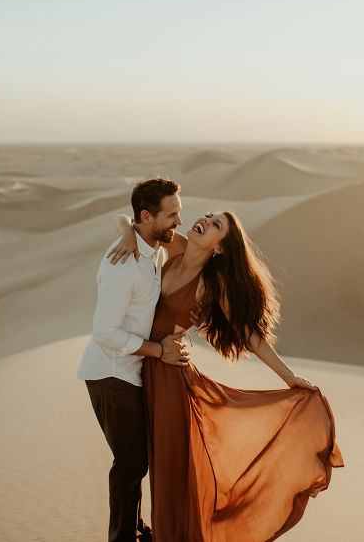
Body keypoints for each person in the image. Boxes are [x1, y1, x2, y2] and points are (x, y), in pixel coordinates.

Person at [108, 208, 343, 541]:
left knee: (170, 476)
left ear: (219, 248)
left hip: (171, 380)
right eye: (210, 215)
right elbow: (122, 219)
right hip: (142, 366)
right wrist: (129, 234)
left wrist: (289, 377)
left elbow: (250, 335)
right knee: (137, 464)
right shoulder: (175, 246)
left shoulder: (211, 283)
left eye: (216, 224)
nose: (205, 219)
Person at [77, 178, 192, 542]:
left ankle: (135, 529)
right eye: (171, 214)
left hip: (132, 372)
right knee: (131, 463)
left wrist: (128, 229)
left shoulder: (153, 248)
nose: (179, 221)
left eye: (179, 212)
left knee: (137, 460)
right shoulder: (122, 265)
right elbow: (104, 333)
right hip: (111, 373)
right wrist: (159, 351)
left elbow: (122, 218)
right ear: (147, 216)